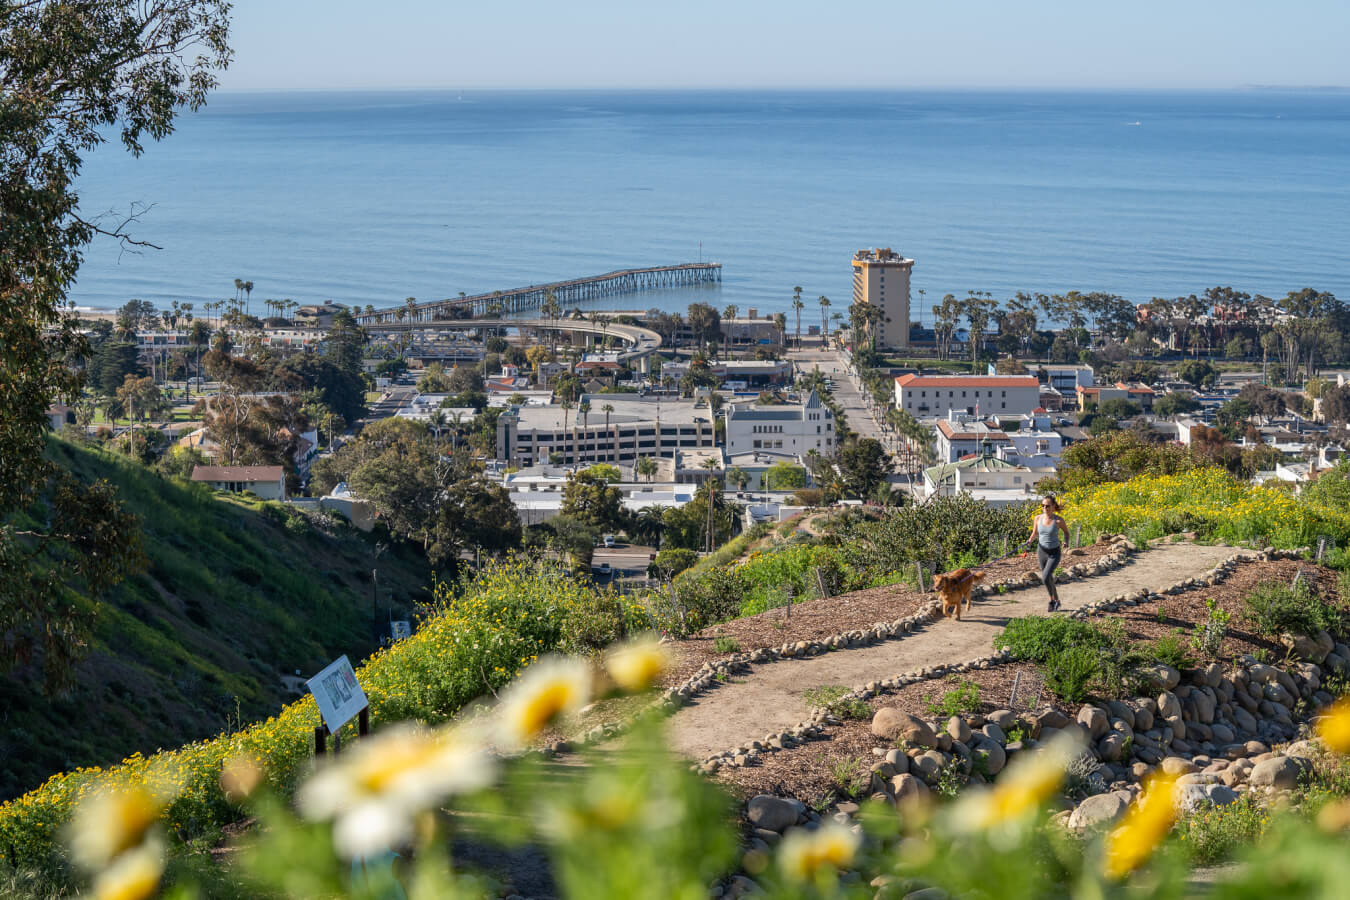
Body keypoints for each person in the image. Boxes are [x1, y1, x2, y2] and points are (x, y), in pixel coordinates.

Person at [1024, 495, 1069, 612]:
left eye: (1047, 506)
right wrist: (1029, 541)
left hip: (1054, 552)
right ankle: (1056, 601)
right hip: (1041, 551)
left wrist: (1066, 541)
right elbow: (1035, 533)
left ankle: (1052, 601)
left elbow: (1066, 533)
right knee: (1048, 578)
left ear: (1053, 506)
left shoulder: (1058, 520)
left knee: (1045, 577)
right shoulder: (1037, 518)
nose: (1045, 508)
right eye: (1042, 505)